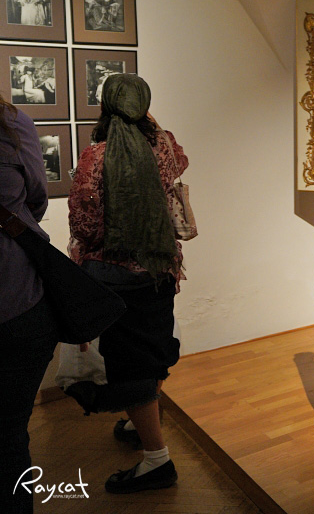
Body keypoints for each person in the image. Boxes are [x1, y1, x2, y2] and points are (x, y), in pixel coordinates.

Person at [67, 74, 188, 494]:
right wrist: (148, 122)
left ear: (105, 106)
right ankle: (141, 424)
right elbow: (180, 159)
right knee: (153, 351)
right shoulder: (165, 150)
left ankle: (157, 462)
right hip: (160, 270)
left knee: (130, 366)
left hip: (114, 278)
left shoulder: (95, 156)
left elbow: (85, 226)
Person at [0, 91, 57, 513]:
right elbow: (36, 198)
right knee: (9, 435)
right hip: (19, 301)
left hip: (18, 304)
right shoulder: (13, 122)